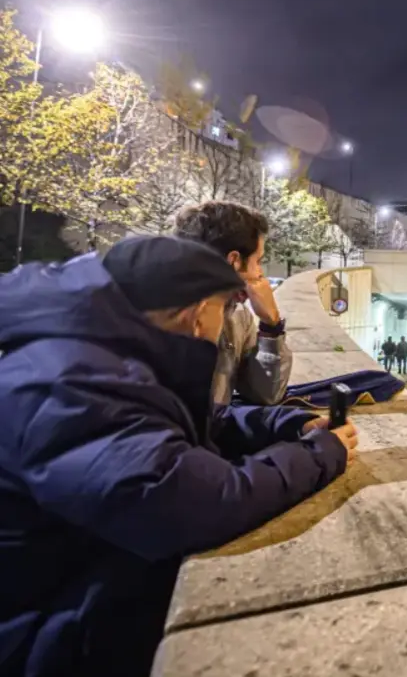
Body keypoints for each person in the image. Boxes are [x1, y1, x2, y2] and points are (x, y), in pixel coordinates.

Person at [0, 237, 355, 677]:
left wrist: (284, 425)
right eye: (224, 310)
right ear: (195, 311)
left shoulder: (94, 353)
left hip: (78, 582)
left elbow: (193, 424)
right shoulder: (69, 383)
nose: (224, 324)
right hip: (41, 636)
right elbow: (194, 504)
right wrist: (320, 455)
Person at [174, 201, 293, 405]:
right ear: (233, 261)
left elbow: (265, 395)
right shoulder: (164, 318)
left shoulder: (237, 315)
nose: (260, 273)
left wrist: (270, 326)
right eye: (258, 261)